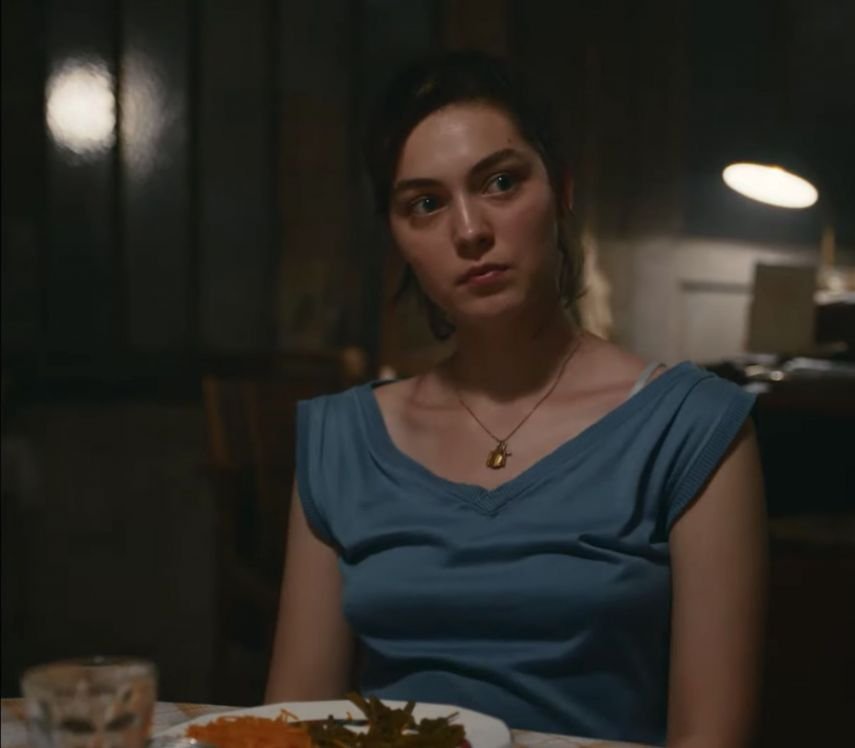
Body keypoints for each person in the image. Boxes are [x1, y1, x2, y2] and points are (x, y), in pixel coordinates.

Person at [265, 51, 767, 746]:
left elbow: (710, 740)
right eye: (425, 204)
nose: (470, 230)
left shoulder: (691, 427)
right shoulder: (342, 440)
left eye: (500, 182)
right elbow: (292, 728)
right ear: (397, 238)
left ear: (561, 189)